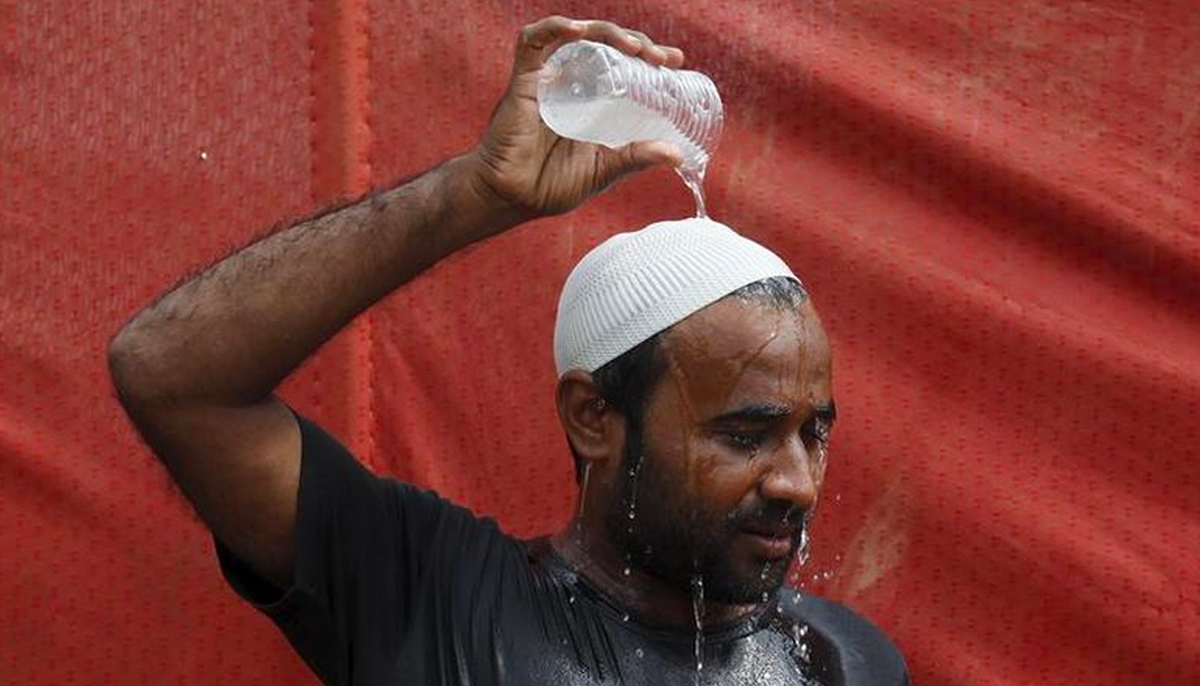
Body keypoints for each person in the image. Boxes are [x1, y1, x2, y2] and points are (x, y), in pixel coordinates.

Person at [107, 15, 907, 686]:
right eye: (745, 434)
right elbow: (170, 372)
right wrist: (476, 193)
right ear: (594, 417)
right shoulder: (434, 597)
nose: (797, 484)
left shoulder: (843, 661)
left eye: (815, 433)